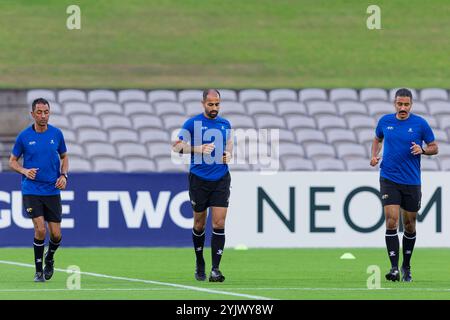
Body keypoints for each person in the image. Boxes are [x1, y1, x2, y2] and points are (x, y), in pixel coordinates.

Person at [370, 88, 438, 282]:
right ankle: (393, 269)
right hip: (389, 177)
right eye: (399, 104)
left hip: (411, 181)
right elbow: (377, 138)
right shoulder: (385, 121)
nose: (402, 107)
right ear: (394, 103)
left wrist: (423, 150)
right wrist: (374, 155)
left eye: (406, 104)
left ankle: (406, 265)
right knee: (391, 220)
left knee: (409, 224)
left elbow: (434, 147)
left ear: (411, 105)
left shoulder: (420, 124)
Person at [172, 89, 232, 282]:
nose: (214, 108)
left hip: (221, 177)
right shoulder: (192, 123)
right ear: (203, 103)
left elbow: (229, 142)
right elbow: (177, 146)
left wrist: (229, 153)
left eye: (217, 104)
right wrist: (197, 149)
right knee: (199, 223)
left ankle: (216, 269)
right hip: (199, 179)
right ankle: (200, 262)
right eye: (211, 104)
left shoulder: (225, 124)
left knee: (219, 222)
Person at [9, 98, 69, 282]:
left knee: (57, 234)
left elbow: (64, 156)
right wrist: (24, 170)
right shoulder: (24, 136)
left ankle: (49, 258)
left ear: (49, 113)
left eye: (46, 112)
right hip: (32, 189)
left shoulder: (57, 134)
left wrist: (63, 176)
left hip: (52, 190)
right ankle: (38, 271)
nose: (43, 115)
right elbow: (11, 161)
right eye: (39, 112)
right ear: (32, 114)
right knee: (40, 229)